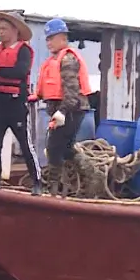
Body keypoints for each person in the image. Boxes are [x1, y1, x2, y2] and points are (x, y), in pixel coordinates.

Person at [35, 18, 92, 195]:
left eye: (52, 38)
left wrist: (62, 112)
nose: (49, 42)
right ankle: (92, 175)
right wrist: (36, 97)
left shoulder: (67, 60)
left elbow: (72, 91)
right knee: (65, 148)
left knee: (54, 148)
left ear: (63, 38)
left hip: (71, 110)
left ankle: (53, 189)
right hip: (64, 110)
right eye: (47, 39)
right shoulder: (52, 61)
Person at [0, 13, 42, 194]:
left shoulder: (23, 50)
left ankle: (37, 182)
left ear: (15, 30)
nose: (0, 32)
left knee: (25, 144)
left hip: (16, 103)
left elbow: (20, 71)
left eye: (4, 29)